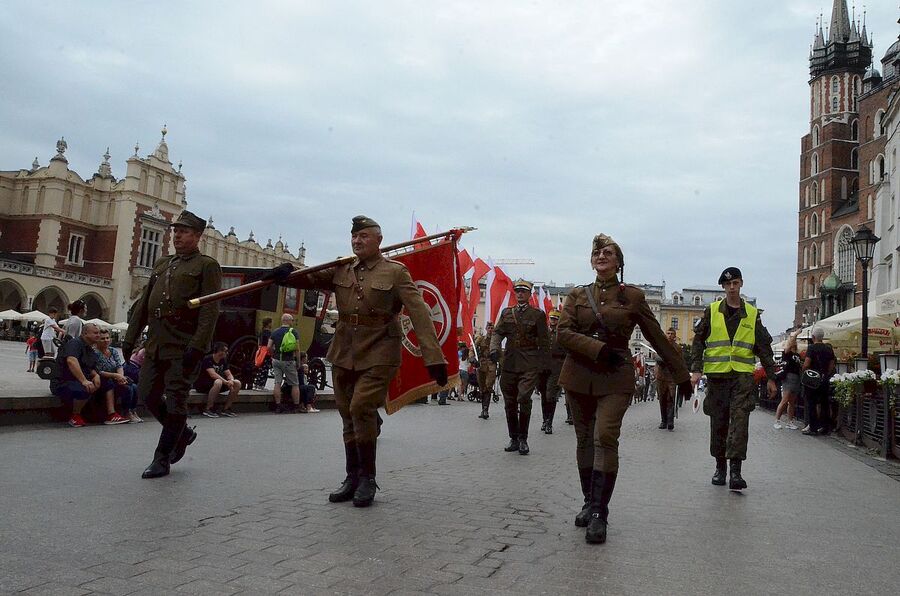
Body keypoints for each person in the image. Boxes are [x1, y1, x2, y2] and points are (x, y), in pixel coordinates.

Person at [267, 215, 447, 507]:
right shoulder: (342, 269)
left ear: (378, 240)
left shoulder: (396, 272)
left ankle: (368, 479)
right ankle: (352, 477)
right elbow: (310, 277)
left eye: (364, 236)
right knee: (347, 414)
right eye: (354, 237)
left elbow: (419, 313)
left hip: (380, 351)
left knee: (361, 407)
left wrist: (433, 357)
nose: (357, 241)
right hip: (344, 350)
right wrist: (286, 275)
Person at [558, 234, 692, 545]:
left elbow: (656, 336)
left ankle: (599, 513)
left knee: (604, 435)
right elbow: (562, 333)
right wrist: (594, 347)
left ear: (619, 262)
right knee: (584, 440)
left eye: (607, 253)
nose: (600, 256)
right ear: (591, 262)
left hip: (615, 376)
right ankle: (588, 502)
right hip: (578, 376)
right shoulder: (577, 295)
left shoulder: (632, 297)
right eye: (596, 253)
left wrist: (681, 374)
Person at [122, 210, 221, 479]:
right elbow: (144, 304)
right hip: (155, 343)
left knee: (176, 400)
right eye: (175, 231)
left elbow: (210, 309)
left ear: (197, 236)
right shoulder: (163, 263)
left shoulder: (206, 265)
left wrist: (198, 346)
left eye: (184, 231)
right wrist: (130, 338)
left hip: (183, 344)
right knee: (146, 394)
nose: (177, 235)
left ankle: (162, 458)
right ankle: (183, 432)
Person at [691, 266, 776, 492]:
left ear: (741, 284)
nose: (732, 287)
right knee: (718, 422)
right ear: (723, 287)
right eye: (728, 284)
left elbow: (764, 347)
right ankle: (720, 468)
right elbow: (698, 341)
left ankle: (736, 472)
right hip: (718, 377)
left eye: (735, 283)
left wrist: (771, 376)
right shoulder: (712, 311)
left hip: (742, 378)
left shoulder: (751, 313)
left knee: (739, 423)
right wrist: (696, 369)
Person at [490, 279, 549, 456]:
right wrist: (494, 348)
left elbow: (544, 342)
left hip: (529, 364)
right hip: (509, 363)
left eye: (524, 291)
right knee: (509, 402)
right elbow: (498, 332)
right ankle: (514, 438)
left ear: (529, 294)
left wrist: (545, 367)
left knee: (523, 398)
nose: (520, 294)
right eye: (518, 291)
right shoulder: (507, 313)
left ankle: (523, 438)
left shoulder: (537, 315)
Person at [50, 323, 130, 427]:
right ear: (85, 333)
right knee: (84, 388)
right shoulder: (75, 343)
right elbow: (71, 361)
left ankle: (111, 414)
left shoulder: (90, 348)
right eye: (95, 333)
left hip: (77, 380)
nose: (98, 335)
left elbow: (90, 367)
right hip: (63, 381)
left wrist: (95, 375)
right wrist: (84, 380)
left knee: (107, 383)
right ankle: (75, 416)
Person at [94, 328, 141, 423]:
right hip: (104, 379)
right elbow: (98, 371)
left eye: (107, 338)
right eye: (102, 338)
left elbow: (119, 366)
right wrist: (116, 376)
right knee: (127, 388)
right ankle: (126, 412)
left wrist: (121, 376)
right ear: (97, 340)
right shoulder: (95, 353)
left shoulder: (113, 351)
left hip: (115, 378)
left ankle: (132, 411)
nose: (106, 340)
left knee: (134, 387)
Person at [801, 327, 836, 435]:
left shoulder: (812, 348)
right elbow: (831, 365)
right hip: (824, 379)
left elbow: (807, 363)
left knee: (811, 403)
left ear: (813, 337)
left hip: (812, 380)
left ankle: (813, 428)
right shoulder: (828, 349)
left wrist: (804, 370)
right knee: (824, 402)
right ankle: (825, 427)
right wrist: (825, 374)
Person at [195, 342, 241, 418]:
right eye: (225, 351)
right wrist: (226, 382)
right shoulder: (207, 359)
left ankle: (226, 408)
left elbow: (228, 374)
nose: (227, 353)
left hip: (216, 384)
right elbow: (213, 374)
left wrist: (231, 381)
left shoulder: (223, 360)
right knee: (218, 382)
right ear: (220, 351)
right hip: (203, 384)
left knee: (237, 383)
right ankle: (208, 408)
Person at [268, 313, 302, 413]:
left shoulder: (275, 332)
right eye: (292, 320)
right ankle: (296, 406)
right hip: (289, 361)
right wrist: (298, 362)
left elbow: (269, 346)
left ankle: (278, 406)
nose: (292, 322)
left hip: (276, 360)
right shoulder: (294, 332)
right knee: (295, 384)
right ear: (288, 321)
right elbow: (297, 349)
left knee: (277, 383)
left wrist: (273, 354)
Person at [540, 309, 566, 435]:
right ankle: (545, 420)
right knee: (544, 395)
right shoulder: (543, 332)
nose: (553, 321)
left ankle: (549, 422)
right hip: (542, 367)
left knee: (551, 396)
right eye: (552, 318)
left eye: (555, 319)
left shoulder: (562, 334)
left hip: (556, 368)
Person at [656, 328, 686, 431]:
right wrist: (662, 358)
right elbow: (657, 357)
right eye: (668, 333)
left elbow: (681, 362)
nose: (669, 335)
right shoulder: (660, 346)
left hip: (672, 377)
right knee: (662, 399)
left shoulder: (677, 348)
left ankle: (670, 421)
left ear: (675, 336)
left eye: (671, 334)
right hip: (661, 377)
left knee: (672, 399)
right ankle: (663, 420)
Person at [774, 331, 802, 430]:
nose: (795, 342)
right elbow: (788, 345)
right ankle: (777, 420)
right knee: (785, 399)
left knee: (792, 402)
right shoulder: (787, 353)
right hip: (788, 377)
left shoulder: (797, 355)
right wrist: (795, 334)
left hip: (796, 377)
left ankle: (790, 421)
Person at [474, 322, 497, 419]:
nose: (490, 329)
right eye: (489, 327)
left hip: (491, 366)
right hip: (481, 365)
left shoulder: (496, 340)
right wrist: (472, 358)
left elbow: (500, 352)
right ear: (486, 328)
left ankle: (486, 410)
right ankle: (483, 409)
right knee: (482, 387)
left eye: (492, 327)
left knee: (488, 387)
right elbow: (473, 348)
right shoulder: (481, 338)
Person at [254, 317, 273, 389]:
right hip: (266, 351)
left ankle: (256, 383)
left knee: (260, 368)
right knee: (265, 369)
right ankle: (261, 385)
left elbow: (259, 342)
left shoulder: (261, 332)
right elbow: (269, 344)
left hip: (261, 350)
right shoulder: (269, 333)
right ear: (268, 324)